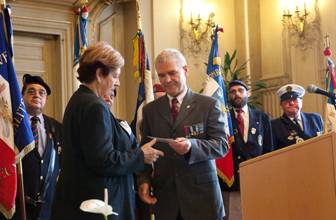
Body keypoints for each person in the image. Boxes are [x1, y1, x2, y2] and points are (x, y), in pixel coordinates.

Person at [51, 42, 163, 220]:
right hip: (97, 205)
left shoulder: (79, 100)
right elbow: (103, 160)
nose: (117, 82)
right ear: (99, 74)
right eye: (115, 75)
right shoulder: (95, 107)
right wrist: (141, 156)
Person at [137, 48, 227, 220]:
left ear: (185, 70)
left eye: (172, 73)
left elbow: (221, 145)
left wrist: (191, 146)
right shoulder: (150, 111)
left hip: (202, 200)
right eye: (162, 75)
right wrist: (144, 181)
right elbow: (145, 151)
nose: (167, 80)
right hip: (165, 201)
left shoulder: (208, 105)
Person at [223, 80, 274, 220]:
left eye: (240, 90)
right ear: (228, 96)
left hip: (257, 178)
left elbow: (269, 148)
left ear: (248, 93)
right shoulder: (223, 118)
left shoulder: (261, 117)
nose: (236, 94)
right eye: (232, 92)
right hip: (232, 181)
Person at [14, 74, 62, 220]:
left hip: (48, 210)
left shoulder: (57, 127)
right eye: (31, 91)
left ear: (46, 99)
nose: (37, 95)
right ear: (21, 96)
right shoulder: (13, 126)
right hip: (17, 208)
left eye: (42, 93)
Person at [271, 83, 323, 149]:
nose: (291, 103)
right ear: (281, 105)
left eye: (295, 99)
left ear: (301, 102)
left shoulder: (315, 118)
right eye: (287, 101)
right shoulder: (274, 126)